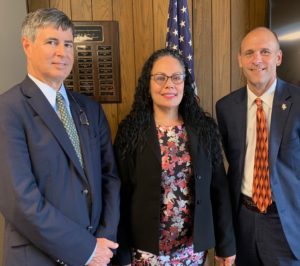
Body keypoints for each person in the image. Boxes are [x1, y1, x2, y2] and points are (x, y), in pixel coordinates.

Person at [0, 8, 120, 266]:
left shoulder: (89, 108)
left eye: (68, 44)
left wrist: (104, 242)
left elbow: (109, 178)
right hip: (37, 258)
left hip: (98, 254)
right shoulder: (7, 110)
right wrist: (86, 250)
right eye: (51, 42)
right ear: (27, 45)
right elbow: (20, 201)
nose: (62, 53)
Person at [113, 48, 236, 266]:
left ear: (185, 84)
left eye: (176, 78)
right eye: (160, 77)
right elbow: (120, 196)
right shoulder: (130, 132)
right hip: (144, 253)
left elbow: (219, 190)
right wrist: (120, 253)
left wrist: (225, 244)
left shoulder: (204, 129)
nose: (169, 85)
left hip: (191, 252)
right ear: (147, 84)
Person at [216, 27, 300, 266]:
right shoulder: (226, 107)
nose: (257, 60)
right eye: (249, 53)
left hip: (286, 225)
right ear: (240, 60)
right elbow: (232, 165)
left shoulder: (299, 103)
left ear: (278, 57)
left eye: (265, 51)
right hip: (243, 222)